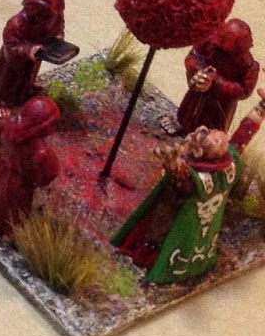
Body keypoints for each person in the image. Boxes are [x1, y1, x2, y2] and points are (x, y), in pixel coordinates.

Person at [113, 92, 265, 285]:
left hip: (203, 223)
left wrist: (261, 108)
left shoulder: (230, 161)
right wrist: (173, 163)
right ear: (209, 153)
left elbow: (243, 135)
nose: (220, 137)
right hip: (180, 215)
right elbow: (182, 178)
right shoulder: (197, 178)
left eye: (215, 135)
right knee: (161, 233)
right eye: (216, 140)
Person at [0, 95, 62, 237]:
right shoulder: (41, 151)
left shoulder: (4, 125)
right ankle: (2, 233)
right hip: (18, 186)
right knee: (9, 211)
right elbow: (46, 176)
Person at [0, 0, 66, 118]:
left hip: (36, 55)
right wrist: (29, 50)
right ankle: (0, 102)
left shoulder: (54, 17)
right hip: (13, 61)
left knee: (29, 75)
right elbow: (11, 44)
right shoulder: (16, 23)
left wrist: (57, 39)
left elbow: (59, 27)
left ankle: (25, 92)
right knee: (8, 79)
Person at [176, 19, 259, 135]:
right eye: (219, 49)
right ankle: (182, 124)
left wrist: (217, 81)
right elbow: (192, 57)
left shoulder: (249, 66)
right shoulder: (208, 40)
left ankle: (207, 140)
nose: (223, 56)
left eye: (230, 54)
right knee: (189, 108)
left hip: (222, 102)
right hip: (200, 89)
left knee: (214, 125)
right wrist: (200, 72)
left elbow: (244, 90)